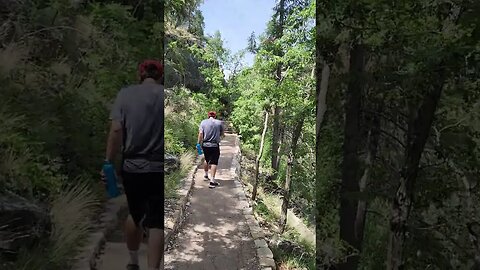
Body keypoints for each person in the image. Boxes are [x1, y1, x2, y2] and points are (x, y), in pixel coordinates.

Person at [102, 59, 164, 270]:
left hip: (132, 166)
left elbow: (116, 131)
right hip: (158, 167)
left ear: (140, 74)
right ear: (160, 76)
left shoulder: (125, 95)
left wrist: (108, 161)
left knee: (134, 213)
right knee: (157, 221)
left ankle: (133, 261)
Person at [197, 111, 224, 188]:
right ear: (215, 116)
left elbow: (200, 133)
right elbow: (222, 133)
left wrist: (198, 143)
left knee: (206, 159)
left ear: (208, 115)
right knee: (214, 162)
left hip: (205, 144)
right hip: (215, 145)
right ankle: (212, 180)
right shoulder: (219, 123)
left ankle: (206, 175)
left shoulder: (203, 122)